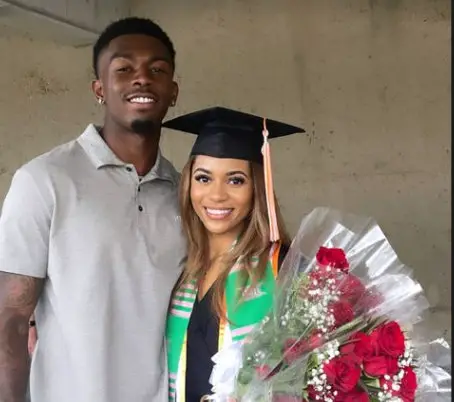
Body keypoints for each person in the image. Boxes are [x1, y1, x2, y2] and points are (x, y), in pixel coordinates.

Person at [0, 17, 185, 402]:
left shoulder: (186, 195)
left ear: (173, 91)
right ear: (100, 89)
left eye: (157, 69)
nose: (141, 79)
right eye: (123, 69)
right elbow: (11, 322)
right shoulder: (44, 181)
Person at [163, 107, 305, 402]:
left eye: (235, 180)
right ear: (188, 183)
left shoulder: (285, 268)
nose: (216, 195)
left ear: (257, 187)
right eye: (203, 178)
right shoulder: (176, 269)